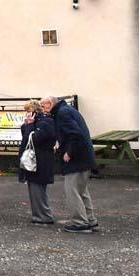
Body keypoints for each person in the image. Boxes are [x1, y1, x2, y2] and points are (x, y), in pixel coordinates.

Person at [44, 95, 98, 233]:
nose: (43, 110)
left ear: (50, 104)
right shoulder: (67, 110)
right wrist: (61, 144)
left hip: (76, 159)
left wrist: (69, 152)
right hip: (84, 157)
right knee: (81, 191)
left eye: (44, 106)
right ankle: (90, 220)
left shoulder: (62, 113)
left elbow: (75, 134)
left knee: (72, 191)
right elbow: (73, 133)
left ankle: (79, 222)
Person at [18, 100, 56, 224]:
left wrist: (29, 125)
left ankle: (43, 216)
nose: (27, 115)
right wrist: (27, 125)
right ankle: (40, 215)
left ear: (34, 112)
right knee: (36, 190)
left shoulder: (44, 123)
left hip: (39, 163)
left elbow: (31, 140)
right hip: (38, 162)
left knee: (37, 190)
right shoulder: (40, 122)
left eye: (28, 112)